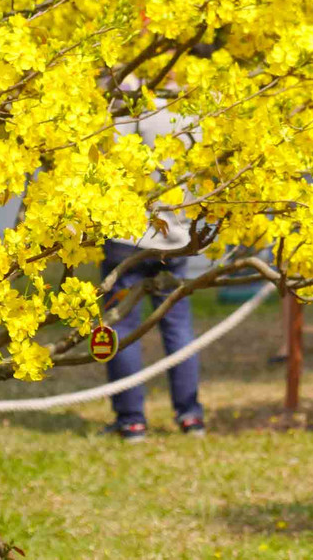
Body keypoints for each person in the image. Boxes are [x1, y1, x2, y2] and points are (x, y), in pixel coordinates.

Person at [100, 97, 207, 441]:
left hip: (126, 240)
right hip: (174, 239)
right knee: (178, 329)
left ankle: (131, 420)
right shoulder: (193, 105)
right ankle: (190, 416)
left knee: (123, 329)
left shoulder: (130, 103)